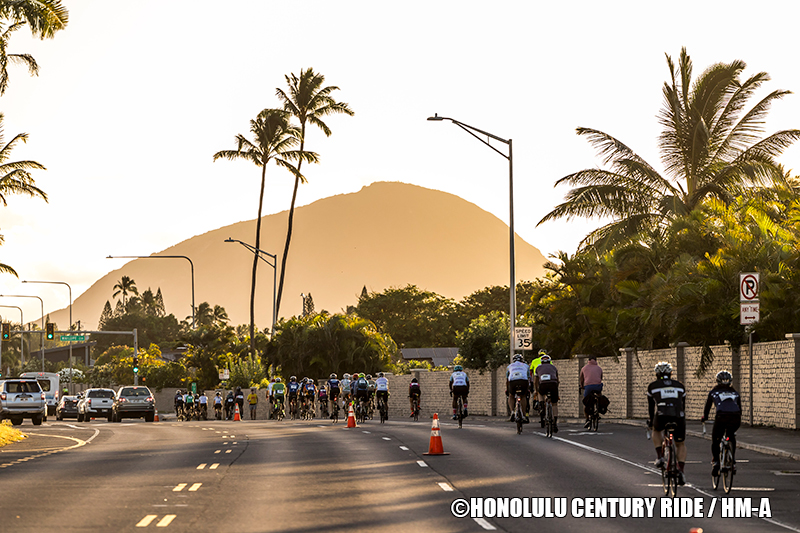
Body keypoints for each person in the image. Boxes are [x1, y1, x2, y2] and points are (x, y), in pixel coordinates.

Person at [647, 361, 687, 485]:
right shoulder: (680, 386)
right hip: (678, 416)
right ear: (671, 373)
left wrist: (651, 421)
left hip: (662, 414)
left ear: (657, 374)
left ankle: (660, 457)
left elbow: (651, 406)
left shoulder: (653, 386)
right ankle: (680, 470)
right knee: (680, 444)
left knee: (656, 430)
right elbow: (683, 405)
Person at [701, 370, 741, 477]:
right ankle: (733, 461)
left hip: (721, 417)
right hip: (735, 418)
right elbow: (740, 408)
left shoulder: (714, 392)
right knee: (731, 435)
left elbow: (708, 407)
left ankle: (716, 463)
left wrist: (705, 418)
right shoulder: (735, 393)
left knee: (716, 440)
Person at [534, 354, 560, 432]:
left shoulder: (538, 368)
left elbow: (535, 381)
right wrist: (556, 387)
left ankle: (542, 405)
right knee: (554, 404)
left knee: (540, 393)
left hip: (543, 385)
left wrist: (536, 389)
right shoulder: (554, 367)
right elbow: (557, 379)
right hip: (553, 385)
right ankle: (554, 423)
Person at [506, 354, 531, 423]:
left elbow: (507, 380)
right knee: (523, 396)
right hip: (523, 381)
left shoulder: (509, 366)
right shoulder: (526, 366)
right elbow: (528, 377)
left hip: (513, 382)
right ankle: (523, 414)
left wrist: (508, 390)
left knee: (511, 396)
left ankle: (512, 412)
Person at [580, 356, 603, 429]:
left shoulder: (584, 368)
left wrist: (582, 386)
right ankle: (598, 409)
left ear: (588, 360)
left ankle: (587, 419)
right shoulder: (599, 368)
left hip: (588, 387)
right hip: (598, 386)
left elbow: (582, 379)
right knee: (599, 396)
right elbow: (601, 377)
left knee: (586, 402)